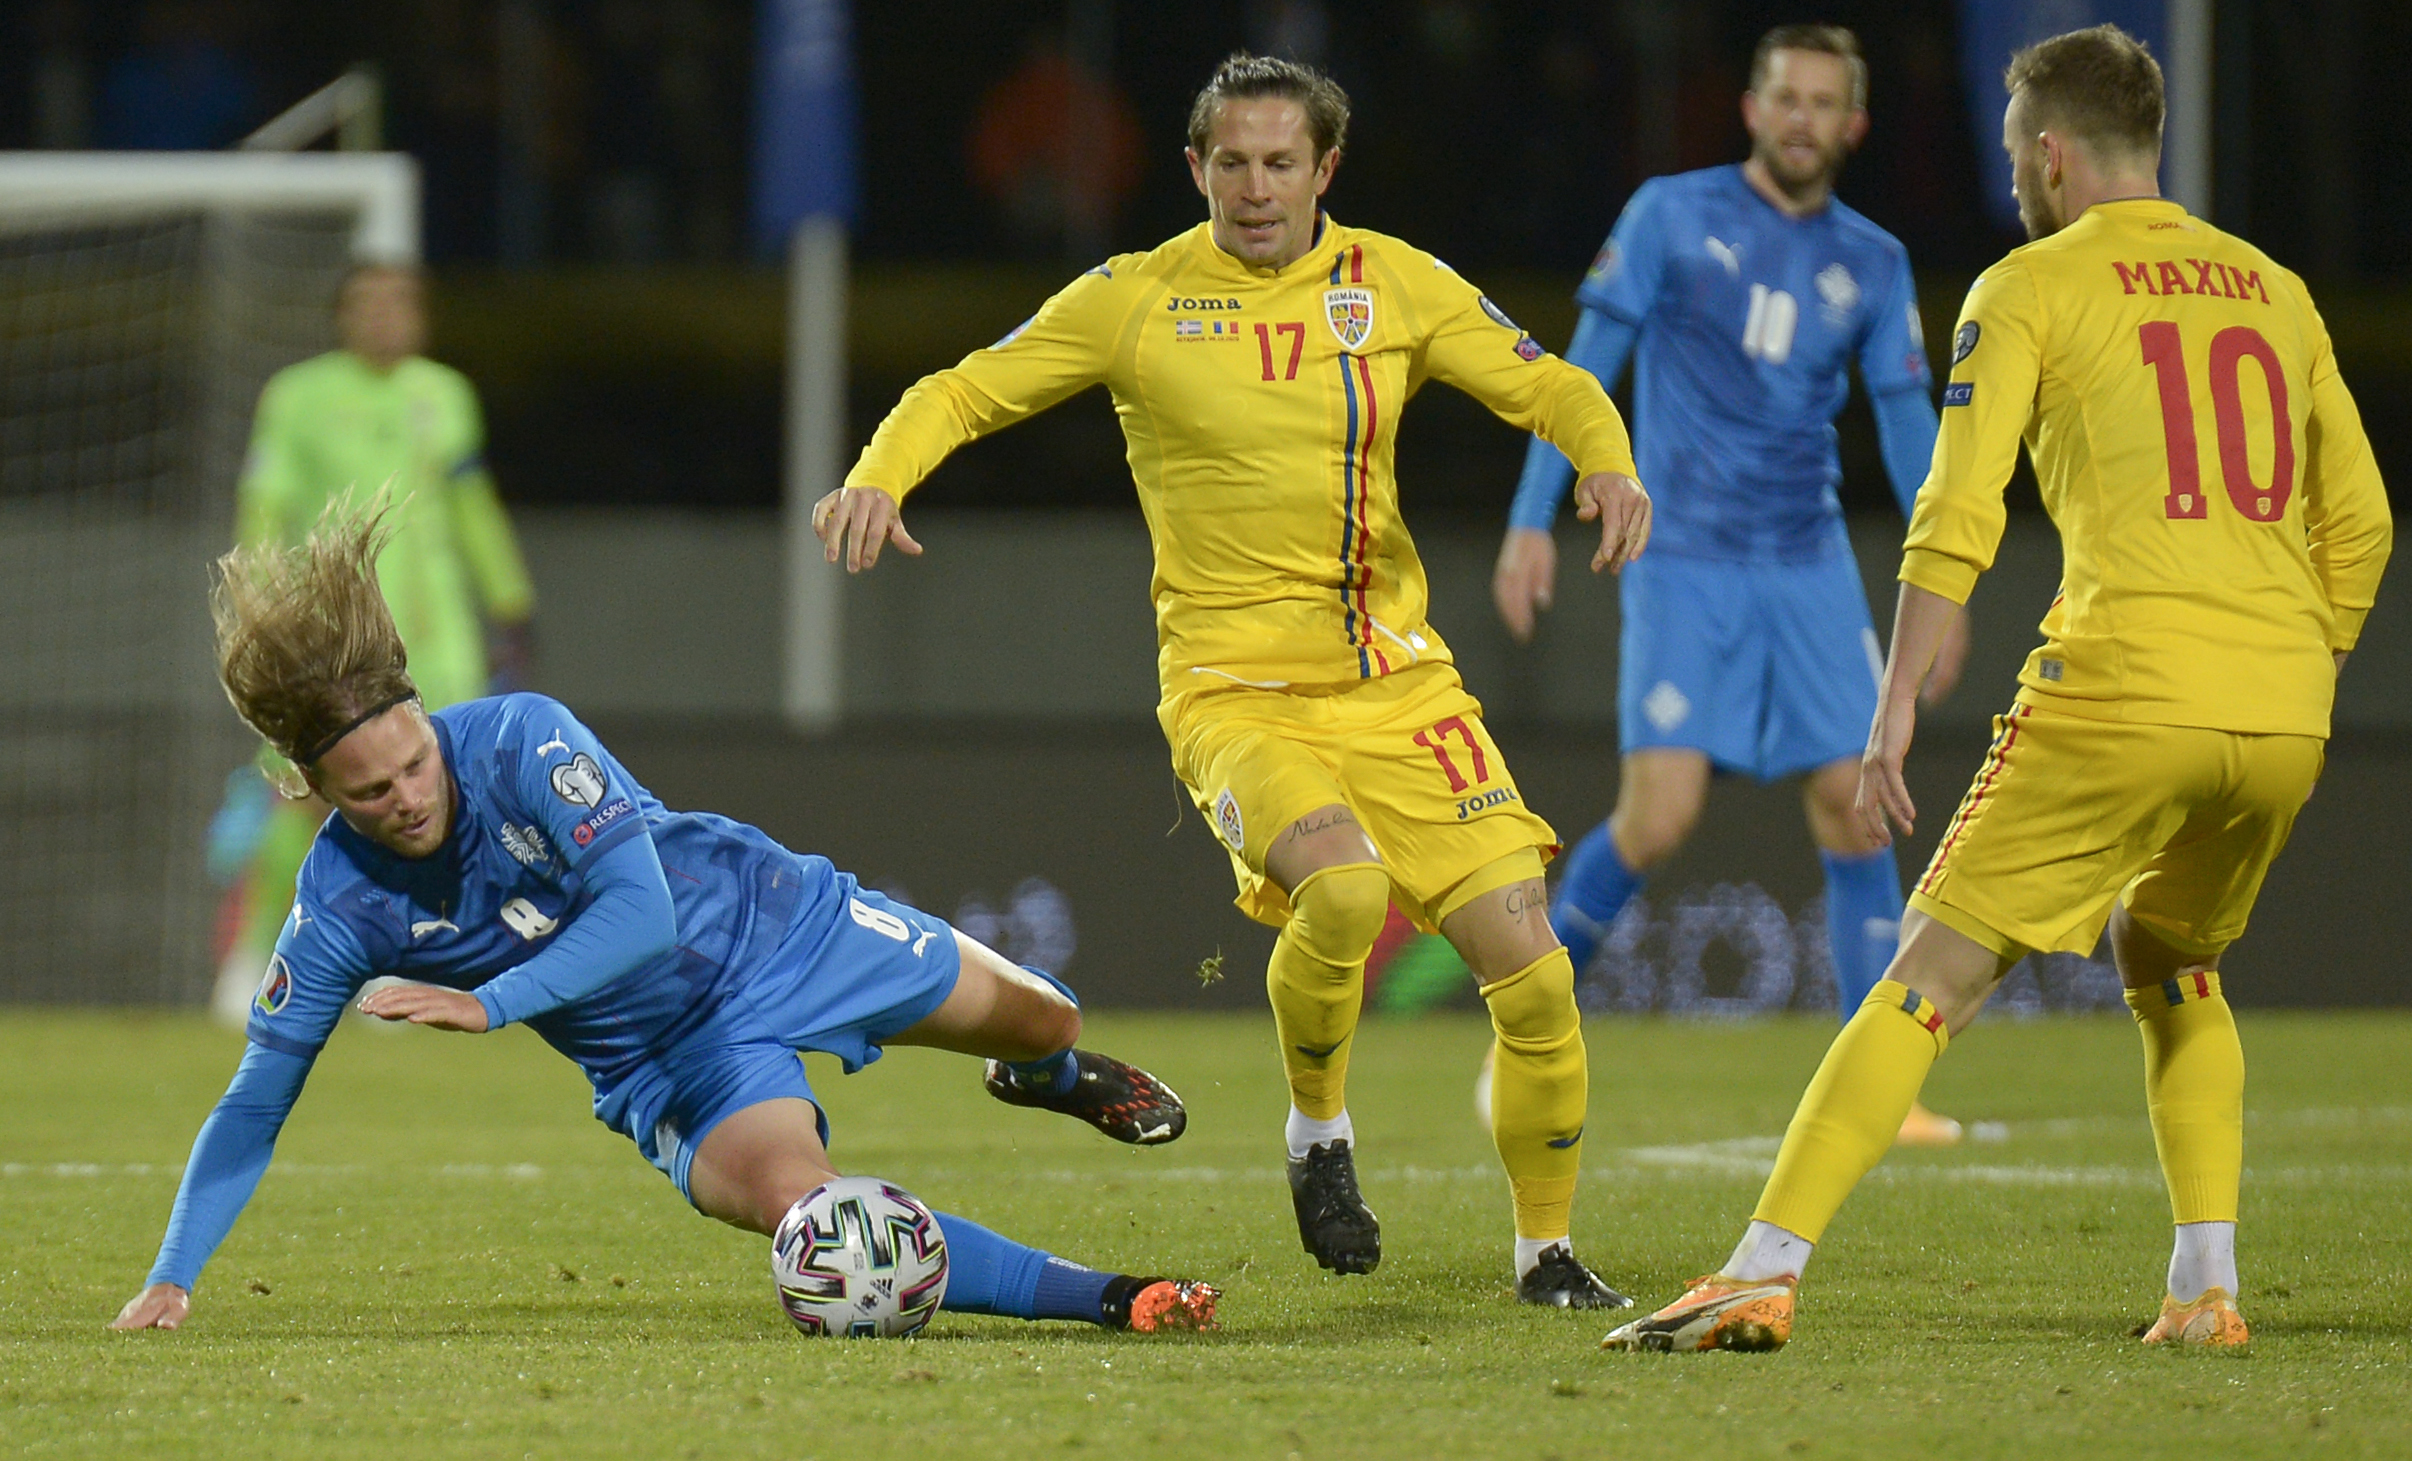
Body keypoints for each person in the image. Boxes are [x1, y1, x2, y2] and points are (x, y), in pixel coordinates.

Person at [818, 54, 1654, 1308]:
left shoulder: (1395, 283)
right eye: (1231, 164)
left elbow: (1551, 382)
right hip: (1232, 693)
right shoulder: (1137, 299)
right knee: (1347, 891)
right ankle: (1320, 1133)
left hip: (1399, 685)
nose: (1255, 190)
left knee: (1535, 975)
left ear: (1326, 171)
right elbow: (967, 387)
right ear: (1194, 168)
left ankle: (1545, 1254)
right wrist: (882, 473)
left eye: (1281, 164)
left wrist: (1607, 461)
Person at [1605, 23, 2389, 1353]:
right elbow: (2359, 526)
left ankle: (1758, 1265)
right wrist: (2289, 666)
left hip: (2125, 692)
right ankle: (2205, 1288)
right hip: (2283, 710)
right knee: (2175, 959)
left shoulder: (2029, 283)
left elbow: (1958, 510)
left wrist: (1896, 698)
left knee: (1926, 978)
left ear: (2051, 153)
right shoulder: (2276, 288)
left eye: (2016, 154)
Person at [113, 504, 1216, 1336]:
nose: (407, 795)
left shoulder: (520, 737)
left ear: (423, 719)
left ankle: (1049, 1079)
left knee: (1048, 1024)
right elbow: (256, 1104)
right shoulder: (340, 906)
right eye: (369, 792)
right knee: (815, 1225)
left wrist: (490, 1003)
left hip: (778, 924)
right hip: (671, 1063)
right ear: (313, 790)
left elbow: (637, 914)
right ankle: (1117, 1301)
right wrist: (172, 1274)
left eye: (413, 761)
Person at [1494, 25, 1968, 1146]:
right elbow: (1577, 377)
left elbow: (1908, 430)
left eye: (1824, 103)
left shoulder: (1876, 259)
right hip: (1684, 559)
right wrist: (1528, 525)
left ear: (1853, 126)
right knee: (1658, 819)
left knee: (1860, 813)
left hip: (1806, 564)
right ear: (1750, 109)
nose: (1801, 118)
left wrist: (1941, 587)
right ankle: (1525, 1036)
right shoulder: (1669, 213)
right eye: (1783, 96)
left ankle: (1879, 1099)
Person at [215, 264, 540, 1023]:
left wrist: (510, 599)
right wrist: (258, 604)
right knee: (297, 800)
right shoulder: (297, 397)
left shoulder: (445, 395)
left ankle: (426, 965)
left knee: (449, 801)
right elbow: (264, 505)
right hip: (332, 648)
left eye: (402, 304)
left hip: (438, 644)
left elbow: (472, 507)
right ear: (343, 316)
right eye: (371, 304)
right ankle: (255, 960)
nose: (388, 318)